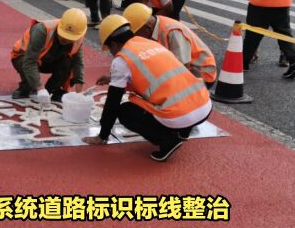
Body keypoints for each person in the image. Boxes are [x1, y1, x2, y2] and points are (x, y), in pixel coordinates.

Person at [82, 15, 212, 162]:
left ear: (113, 44)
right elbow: (154, 75)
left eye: (109, 49)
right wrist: (114, 79)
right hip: (203, 105)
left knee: (125, 111)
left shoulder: (122, 60)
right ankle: (183, 132)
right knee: (172, 93)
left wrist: (102, 136)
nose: (111, 53)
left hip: (180, 115)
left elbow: (113, 102)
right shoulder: (149, 43)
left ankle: (168, 141)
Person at [123, 3, 217, 88]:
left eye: (136, 34)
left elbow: (182, 67)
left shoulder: (173, 32)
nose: (135, 38)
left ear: (148, 28)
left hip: (202, 73)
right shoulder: (153, 25)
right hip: (182, 66)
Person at [10, 8, 88, 103]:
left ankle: (52, 89)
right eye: (64, 36)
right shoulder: (42, 30)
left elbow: (77, 62)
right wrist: (39, 88)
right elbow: (29, 61)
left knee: (67, 63)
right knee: (30, 78)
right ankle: (25, 88)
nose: (66, 40)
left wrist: (79, 89)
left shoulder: (78, 35)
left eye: (70, 38)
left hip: (50, 59)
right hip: (24, 57)